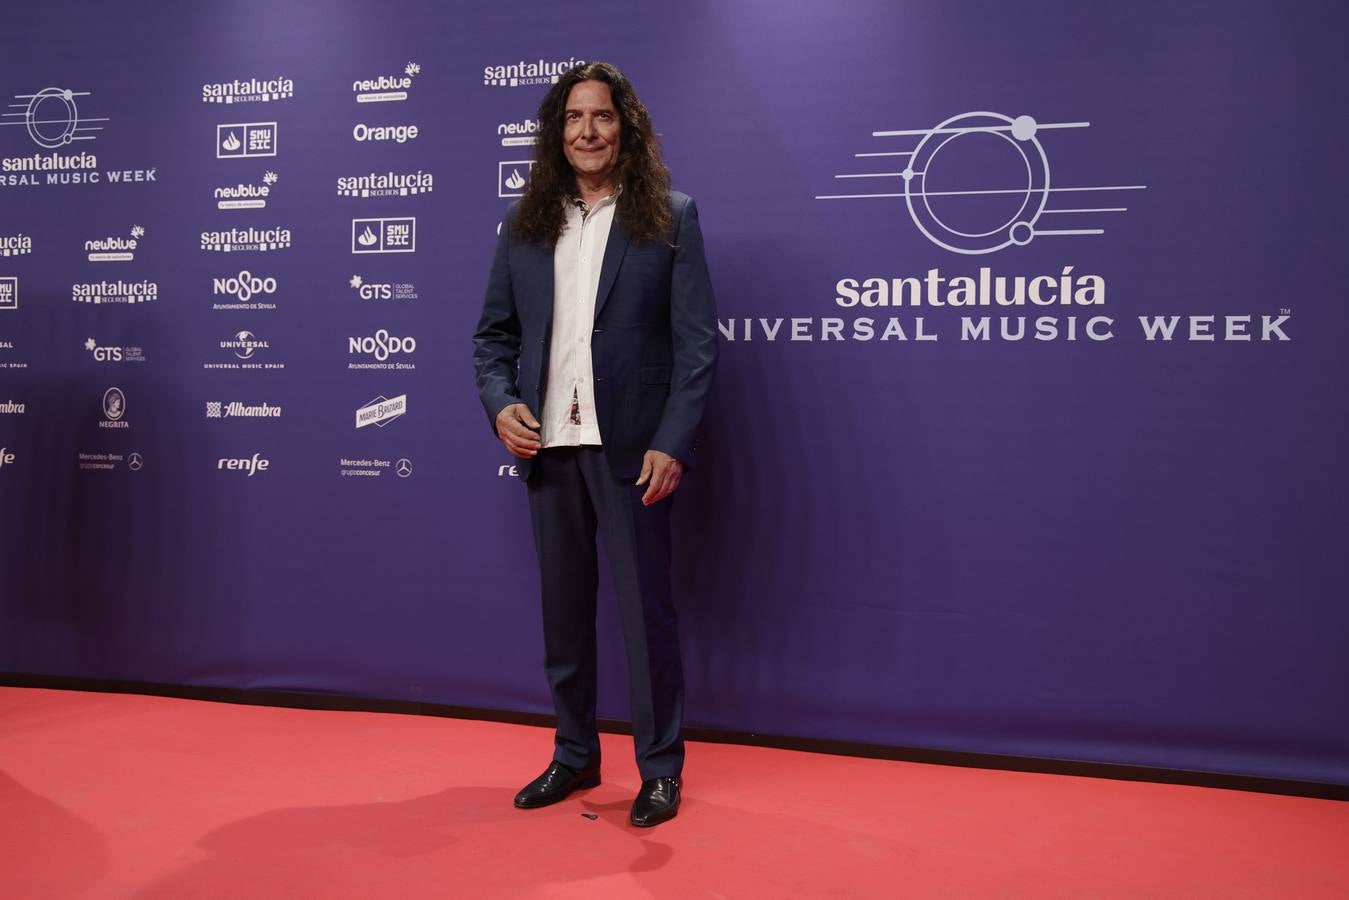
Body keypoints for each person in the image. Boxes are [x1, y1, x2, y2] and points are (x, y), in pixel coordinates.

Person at [473, 61, 718, 828]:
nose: (587, 131)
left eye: (602, 117)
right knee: (564, 616)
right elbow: (492, 339)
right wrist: (501, 403)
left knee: (646, 618)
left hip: (632, 450)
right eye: (573, 118)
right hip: (547, 453)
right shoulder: (524, 225)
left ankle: (659, 770)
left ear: (625, 127)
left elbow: (696, 347)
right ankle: (574, 755)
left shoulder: (668, 217)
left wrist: (671, 440)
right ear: (556, 132)